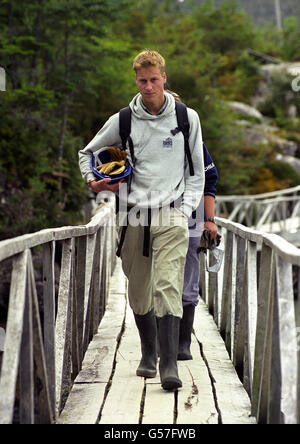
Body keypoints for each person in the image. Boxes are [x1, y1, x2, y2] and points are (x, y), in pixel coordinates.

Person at [78, 49, 205, 391]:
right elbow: (87, 153)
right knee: (138, 288)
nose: (148, 86)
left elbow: (197, 170)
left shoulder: (186, 117)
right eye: (142, 80)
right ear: (136, 80)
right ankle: (148, 352)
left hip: (172, 212)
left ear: (164, 78)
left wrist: (186, 208)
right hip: (133, 213)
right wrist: (93, 180)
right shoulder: (123, 120)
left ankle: (167, 364)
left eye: (154, 79)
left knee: (168, 285)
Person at [164, 85, 218, 361]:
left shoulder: (195, 141)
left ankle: (183, 342)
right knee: (156, 277)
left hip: (192, 217)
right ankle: (161, 342)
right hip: (154, 217)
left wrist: (210, 221)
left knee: (188, 275)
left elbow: (210, 181)